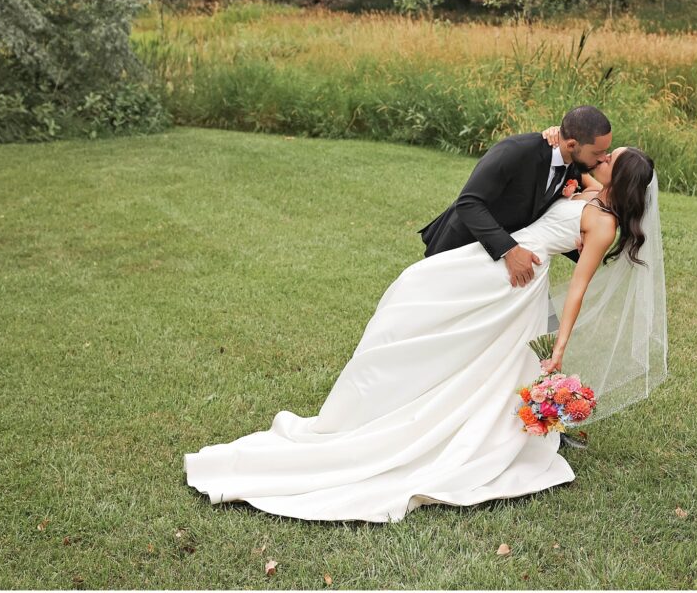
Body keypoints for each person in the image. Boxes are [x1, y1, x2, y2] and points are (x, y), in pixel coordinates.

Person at [183, 142, 662, 523]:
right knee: (413, 294)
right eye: (602, 153)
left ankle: (447, 424)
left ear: (617, 178)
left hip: (513, 281)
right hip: (492, 261)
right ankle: (386, 400)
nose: (602, 158)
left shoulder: (603, 221)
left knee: (472, 351)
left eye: (610, 159)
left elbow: (577, 289)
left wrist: (559, 349)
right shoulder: (582, 193)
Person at [418, 106, 614, 286]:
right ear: (572, 145)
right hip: (461, 246)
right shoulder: (515, 151)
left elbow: (544, 216)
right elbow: (469, 203)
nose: (603, 157)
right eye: (598, 152)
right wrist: (510, 250)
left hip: (498, 267)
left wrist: (582, 247)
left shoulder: (573, 167)